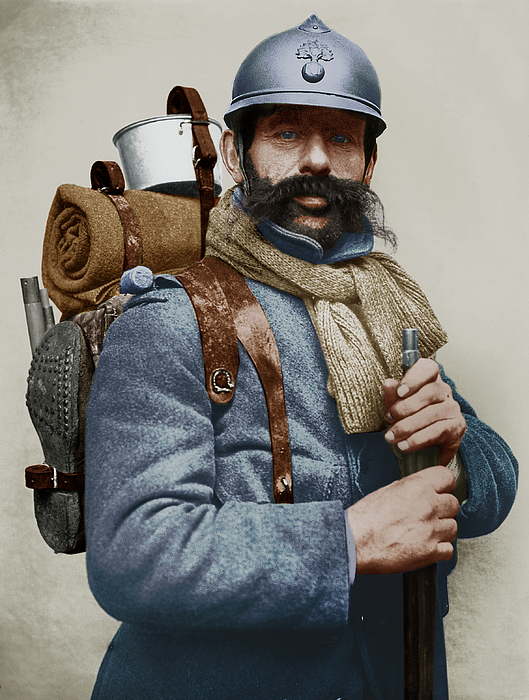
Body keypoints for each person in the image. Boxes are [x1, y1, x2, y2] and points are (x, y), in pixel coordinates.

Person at [85, 15, 517, 700]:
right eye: (287, 132)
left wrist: (455, 454)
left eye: (340, 137)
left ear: (367, 163)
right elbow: (134, 555)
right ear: (235, 154)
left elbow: (491, 493)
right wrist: (346, 540)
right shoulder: (173, 316)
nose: (315, 160)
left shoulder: (381, 303)